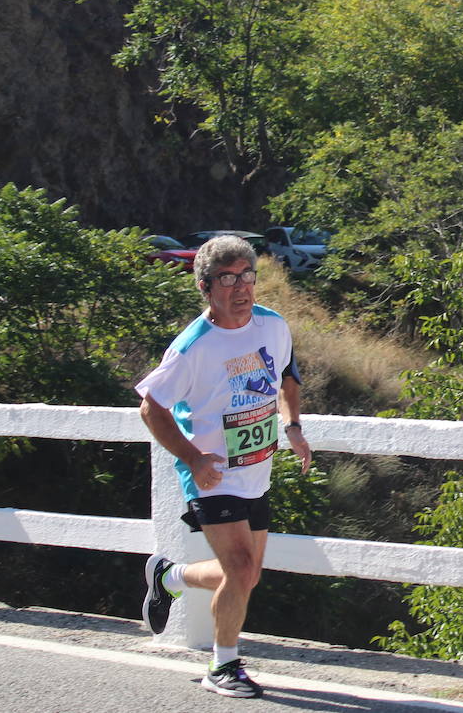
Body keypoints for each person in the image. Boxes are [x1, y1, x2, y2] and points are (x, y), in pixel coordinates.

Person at [136, 235, 311, 699]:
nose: (241, 288)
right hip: (211, 475)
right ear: (205, 285)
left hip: (256, 468)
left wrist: (293, 426)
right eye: (228, 279)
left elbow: (289, 376)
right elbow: (152, 408)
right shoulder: (193, 347)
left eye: (247, 277)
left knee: (247, 574)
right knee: (238, 569)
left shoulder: (273, 326)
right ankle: (224, 665)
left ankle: (169, 576)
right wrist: (193, 459)